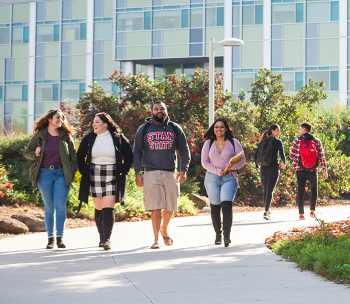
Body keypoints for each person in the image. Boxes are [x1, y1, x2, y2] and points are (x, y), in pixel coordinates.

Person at [133, 101, 190, 249]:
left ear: (166, 110)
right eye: (156, 109)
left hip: (170, 171)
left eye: (162, 109)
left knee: (171, 204)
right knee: (155, 206)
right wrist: (137, 173)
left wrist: (183, 170)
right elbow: (137, 152)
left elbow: (184, 150)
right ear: (152, 111)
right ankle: (156, 239)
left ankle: (164, 228)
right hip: (150, 171)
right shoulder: (144, 129)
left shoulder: (174, 128)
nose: (159, 111)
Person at [77, 113, 133, 250]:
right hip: (94, 173)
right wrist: (84, 171)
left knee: (108, 207)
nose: (93, 125)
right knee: (99, 208)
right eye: (93, 122)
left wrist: (123, 171)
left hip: (112, 174)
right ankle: (101, 237)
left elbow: (129, 155)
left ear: (105, 124)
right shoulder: (89, 138)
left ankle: (107, 240)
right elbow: (80, 155)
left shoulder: (118, 138)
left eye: (97, 122)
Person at [23, 109, 78, 249]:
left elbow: (74, 158)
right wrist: (35, 154)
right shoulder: (39, 136)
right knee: (49, 207)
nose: (60, 120)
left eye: (62, 118)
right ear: (49, 119)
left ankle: (60, 238)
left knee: (60, 206)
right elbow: (27, 153)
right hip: (44, 174)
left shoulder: (65, 136)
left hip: (61, 174)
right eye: (57, 117)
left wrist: (71, 171)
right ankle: (50, 238)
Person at [201, 118, 246, 247]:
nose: (219, 129)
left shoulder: (233, 142)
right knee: (215, 206)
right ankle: (218, 235)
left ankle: (227, 236)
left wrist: (232, 167)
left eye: (221, 127)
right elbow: (204, 162)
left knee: (226, 205)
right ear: (213, 129)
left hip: (229, 177)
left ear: (226, 128)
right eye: (216, 127)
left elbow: (242, 160)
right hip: (212, 178)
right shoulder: (208, 143)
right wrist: (216, 171)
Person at [290, 122, 328, 220]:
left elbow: (291, 156)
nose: (299, 131)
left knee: (301, 191)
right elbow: (321, 156)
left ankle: (301, 214)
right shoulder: (316, 141)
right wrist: (324, 170)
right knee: (314, 190)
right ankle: (312, 211)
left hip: (300, 170)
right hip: (313, 169)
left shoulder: (297, 141)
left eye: (300, 129)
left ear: (303, 130)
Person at [254, 124, 286, 220]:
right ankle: (266, 212)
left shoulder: (263, 141)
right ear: (272, 131)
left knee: (265, 190)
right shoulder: (278, 142)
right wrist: (284, 163)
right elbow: (282, 155)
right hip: (273, 168)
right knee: (270, 190)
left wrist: (257, 167)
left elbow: (255, 156)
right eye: (277, 130)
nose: (279, 132)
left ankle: (266, 210)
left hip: (263, 168)